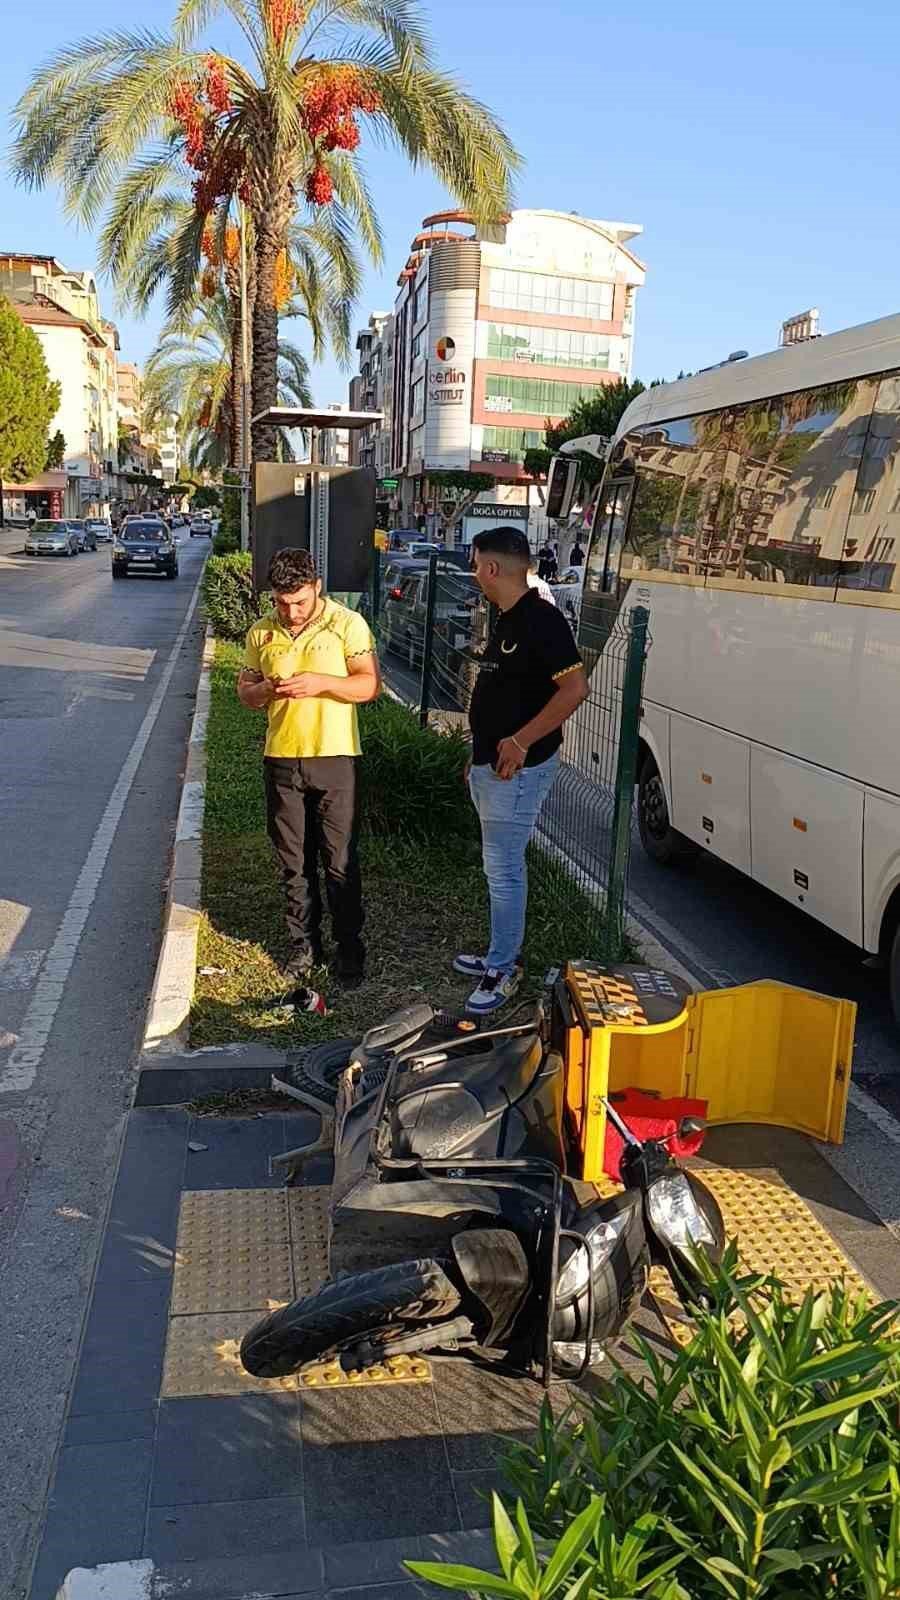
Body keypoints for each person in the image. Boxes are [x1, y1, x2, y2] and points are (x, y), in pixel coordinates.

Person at [456, 526, 588, 1014]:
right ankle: (498, 951)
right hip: (493, 764)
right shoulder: (508, 617)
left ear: (492, 568)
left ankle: (504, 967)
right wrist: (478, 752)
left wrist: (519, 741)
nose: (475, 575)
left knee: (504, 868)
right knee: (497, 866)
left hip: (518, 769)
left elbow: (575, 689)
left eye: (476, 566)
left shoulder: (541, 619)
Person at [237, 548, 381, 986]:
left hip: (335, 758)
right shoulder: (262, 632)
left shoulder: (346, 624)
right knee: (293, 861)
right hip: (282, 758)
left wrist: (321, 683)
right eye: (282, 603)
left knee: (339, 860)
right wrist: (265, 690)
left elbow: (368, 685)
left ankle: (349, 949)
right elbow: (245, 693)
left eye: (300, 601)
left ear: (317, 587)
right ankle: (303, 947)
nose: (292, 612)